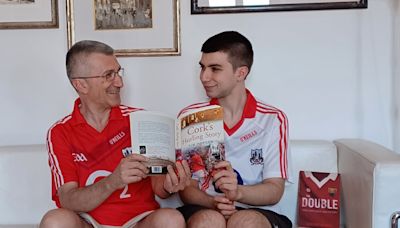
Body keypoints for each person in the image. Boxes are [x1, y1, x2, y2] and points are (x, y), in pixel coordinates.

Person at [40, 40, 191, 228]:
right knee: (55, 221)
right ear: (81, 85)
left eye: (118, 72)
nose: (119, 82)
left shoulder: (140, 120)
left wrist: (171, 185)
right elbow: (68, 199)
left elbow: (160, 188)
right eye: (108, 75)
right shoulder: (60, 132)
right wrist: (113, 181)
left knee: (171, 219)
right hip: (88, 222)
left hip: (139, 221)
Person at [177, 31, 292, 228]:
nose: (204, 77)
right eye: (202, 67)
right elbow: (187, 189)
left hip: (256, 210)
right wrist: (213, 203)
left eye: (215, 69)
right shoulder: (191, 117)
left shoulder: (272, 119)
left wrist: (237, 193)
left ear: (241, 73)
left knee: (245, 222)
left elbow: (274, 190)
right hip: (206, 207)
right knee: (208, 221)